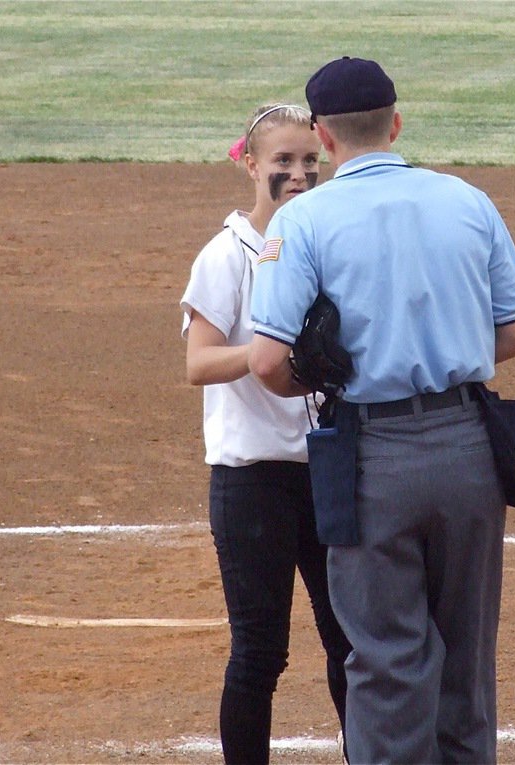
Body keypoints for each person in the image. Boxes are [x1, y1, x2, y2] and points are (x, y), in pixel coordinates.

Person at [248, 58, 515, 764]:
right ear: (397, 123)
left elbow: (265, 361)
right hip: (473, 448)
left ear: (322, 135)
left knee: (384, 660)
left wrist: (318, 382)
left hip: (373, 456)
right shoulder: (469, 201)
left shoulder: (306, 218)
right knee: (466, 659)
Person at [179, 102, 350, 765]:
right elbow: (199, 361)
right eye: (283, 161)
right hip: (252, 480)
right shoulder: (225, 256)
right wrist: (273, 357)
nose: (300, 174)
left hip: (327, 468)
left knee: (351, 641)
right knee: (259, 652)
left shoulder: (327, 246)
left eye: (311, 160)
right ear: (250, 165)